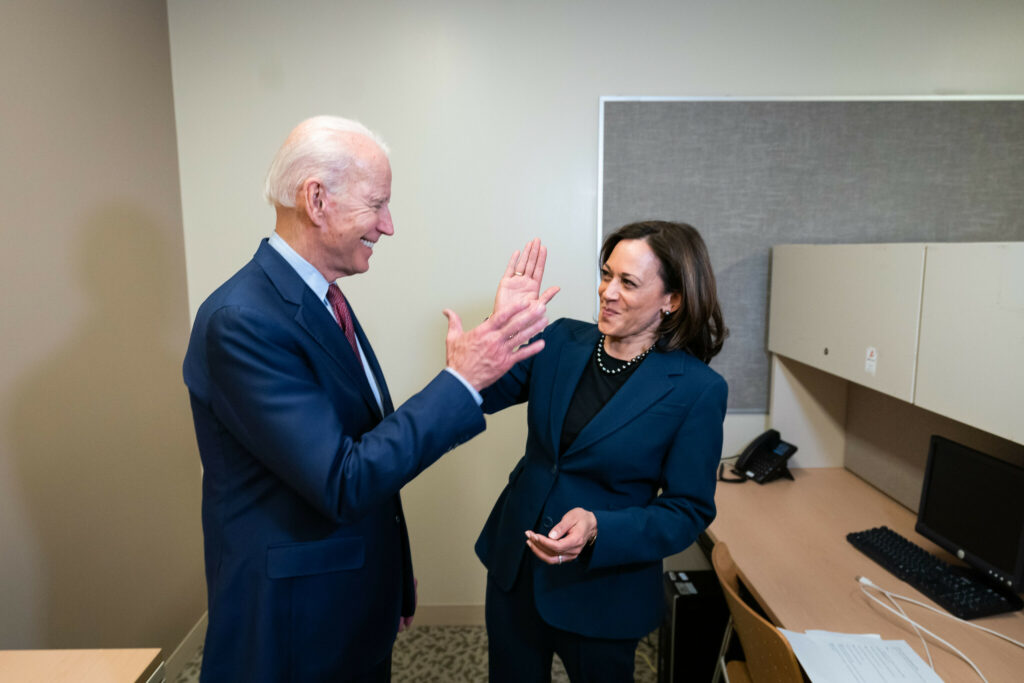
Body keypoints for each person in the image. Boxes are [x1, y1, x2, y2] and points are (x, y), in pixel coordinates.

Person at [182, 116, 554, 682]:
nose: (389, 225)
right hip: (292, 624)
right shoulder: (243, 320)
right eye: (377, 204)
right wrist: (460, 381)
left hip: (348, 599)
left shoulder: (322, 297)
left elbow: (362, 445)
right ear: (317, 200)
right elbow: (343, 478)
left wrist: (391, 578)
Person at [476, 220, 729, 682]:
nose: (607, 291)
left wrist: (599, 528)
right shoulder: (559, 342)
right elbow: (480, 397)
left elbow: (687, 510)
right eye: (606, 274)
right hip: (516, 570)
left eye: (628, 282)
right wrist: (500, 329)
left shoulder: (696, 389)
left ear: (672, 300)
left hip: (603, 591)